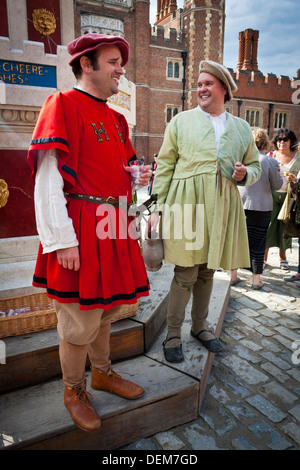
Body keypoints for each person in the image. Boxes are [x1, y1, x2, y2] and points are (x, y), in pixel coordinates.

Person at [27, 34, 152, 432]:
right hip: (79, 227)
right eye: (114, 62)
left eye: (121, 63)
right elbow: (48, 181)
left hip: (113, 225)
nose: (121, 70)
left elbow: (123, 166)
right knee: (79, 319)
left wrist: (135, 177)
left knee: (104, 312)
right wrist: (61, 240)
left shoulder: (117, 119)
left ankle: (102, 373)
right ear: (87, 64)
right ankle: (73, 390)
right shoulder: (61, 105)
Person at [149, 60, 261, 363]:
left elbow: (255, 166)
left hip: (223, 206)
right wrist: (155, 209)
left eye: (208, 83)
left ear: (224, 89)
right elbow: (165, 168)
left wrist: (244, 175)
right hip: (186, 205)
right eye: (199, 84)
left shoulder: (240, 128)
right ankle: (173, 333)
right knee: (185, 270)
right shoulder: (180, 122)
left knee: (208, 270)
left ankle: (199, 327)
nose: (201, 89)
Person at [231, 128, 283, 289]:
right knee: (258, 243)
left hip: (240, 206)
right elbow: (277, 185)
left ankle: (233, 276)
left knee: (237, 242)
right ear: (265, 142)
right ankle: (255, 280)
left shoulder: (239, 161)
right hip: (262, 207)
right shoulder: (270, 161)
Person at [264, 129, 300, 270]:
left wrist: (295, 179)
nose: (282, 142)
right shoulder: (271, 156)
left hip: (289, 197)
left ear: (291, 141)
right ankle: (263, 257)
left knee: (285, 228)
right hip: (271, 195)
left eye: (285, 139)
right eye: (279, 139)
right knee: (268, 226)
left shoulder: (297, 157)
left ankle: (282, 257)